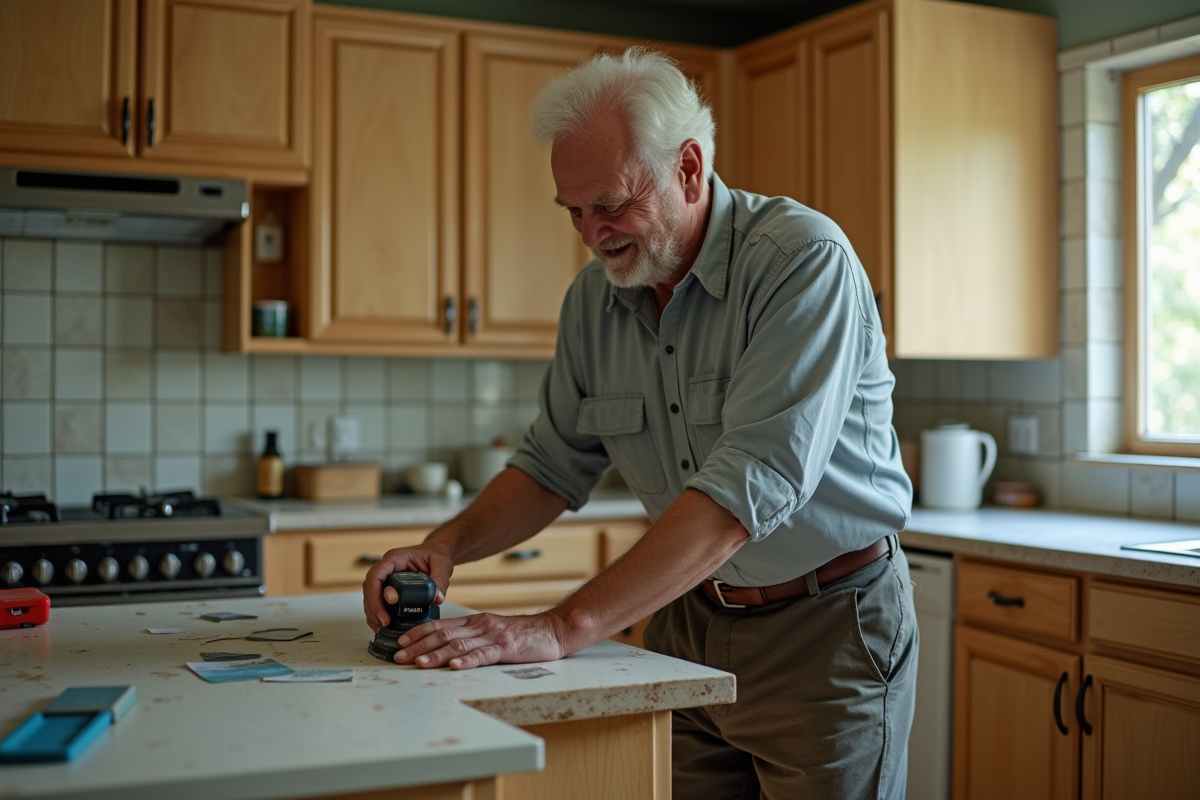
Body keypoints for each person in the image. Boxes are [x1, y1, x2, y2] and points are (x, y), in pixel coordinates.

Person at [362, 47, 917, 800]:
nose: (593, 235)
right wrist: (444, 547)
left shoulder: (801, 261)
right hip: (686, 620)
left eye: (613, 204)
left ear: (689, 168)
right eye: (575, 212)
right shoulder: (594, 301)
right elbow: (550, 466)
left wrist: (560, 628)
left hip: (828, 631)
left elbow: (742, 495)